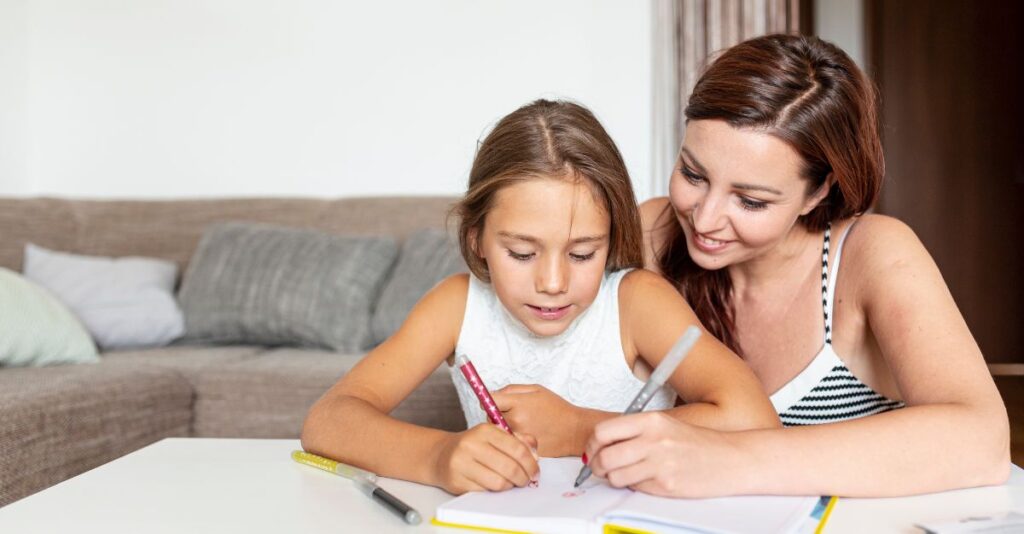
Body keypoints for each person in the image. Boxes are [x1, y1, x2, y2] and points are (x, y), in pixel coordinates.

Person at [583, 34, 1010, 498]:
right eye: (693, 174)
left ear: (818, 191)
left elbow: (981, 440)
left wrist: (730, 460)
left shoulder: (872, 255)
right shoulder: (654, 234)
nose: (704, 219)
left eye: (750, 200)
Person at [301, 99, 779, 495]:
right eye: (523, 252)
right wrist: (439, 457)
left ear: (612, 241)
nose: (553, 282)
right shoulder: (455, 306)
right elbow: (328, 420)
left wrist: (578, 429)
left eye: (583, 253)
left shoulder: (637, 303)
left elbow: (754, 418)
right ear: (476, 241)